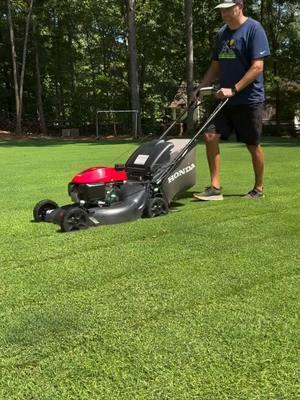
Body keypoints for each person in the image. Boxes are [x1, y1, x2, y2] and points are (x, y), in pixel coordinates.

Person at [193, 0, 270, 201]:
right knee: (210, 136)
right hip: (224, 100)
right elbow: (215, 66)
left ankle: (258, 189)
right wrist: (200, 88)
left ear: (239, 6)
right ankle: (215, 187)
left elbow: (257, 68)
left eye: (228, 9)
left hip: (249, 99)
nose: (224, 13)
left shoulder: (254, 29)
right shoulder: (221, 34)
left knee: (252, 144)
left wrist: (234, 89)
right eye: (221, 10)